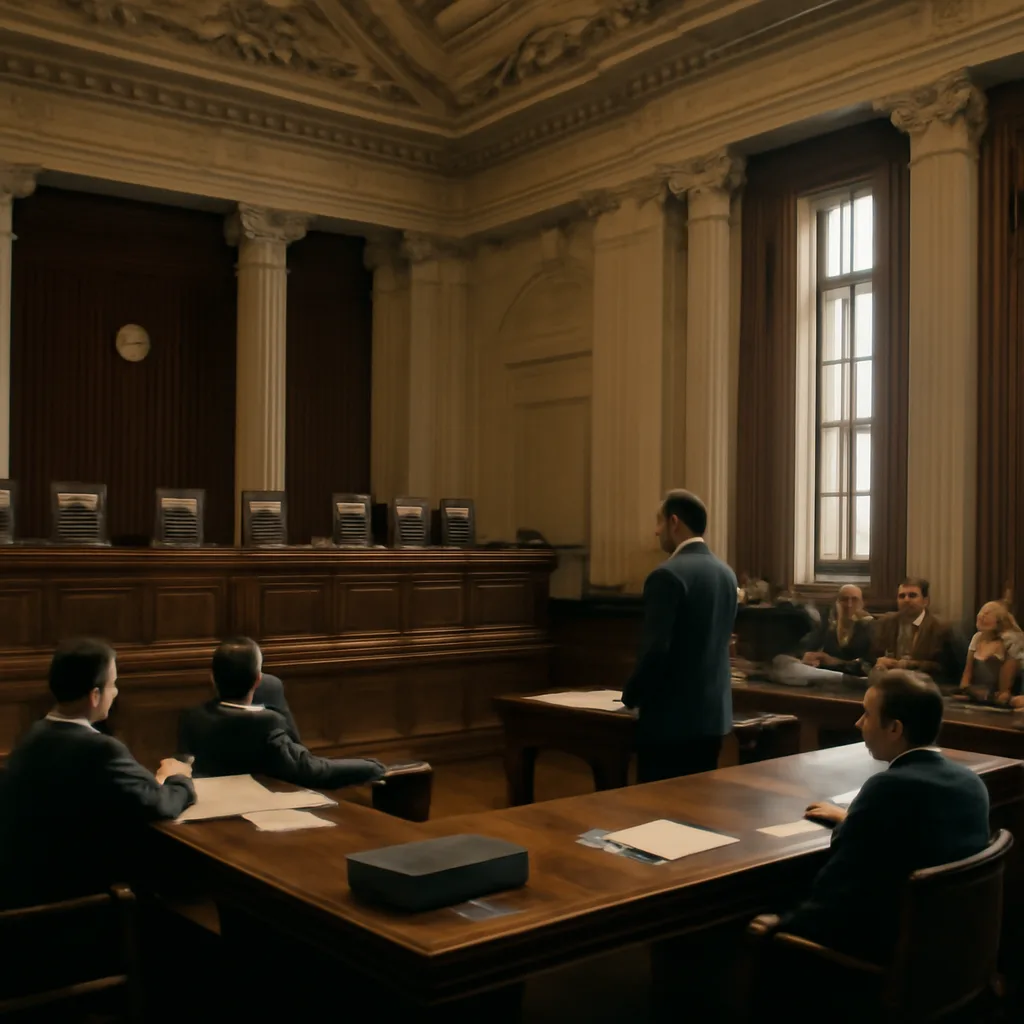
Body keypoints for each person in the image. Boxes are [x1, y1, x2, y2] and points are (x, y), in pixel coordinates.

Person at [779, 671, 990, 963]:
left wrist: (781, 923)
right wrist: (851, 817)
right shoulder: (971, 782)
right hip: (948, 953)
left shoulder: (887, 789)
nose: (858, 724)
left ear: (895, 728)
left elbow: (836, 890)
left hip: (884, 956)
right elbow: (917, 833)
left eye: (866, 714)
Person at [0, 638, 195, 909]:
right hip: (77, 902)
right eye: (113, 685)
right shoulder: (99, 748)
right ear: (94, 696)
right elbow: (160, 804)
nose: (115, 693)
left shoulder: (33, 735)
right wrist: (178, 776)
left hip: (25, 893)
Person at [622, 489, 738, 783]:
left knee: (656, 812)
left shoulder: (667, 575)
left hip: (669, 721)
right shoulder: (726, 574)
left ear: (674, 522)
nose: (656, 531)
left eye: (659, 522)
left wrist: (631, 696)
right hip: (712, 717)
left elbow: (656, 649)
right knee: (697, 808)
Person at [179, 637, 386, 789]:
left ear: (212, 679)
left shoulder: (193, 717)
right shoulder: (268, 723)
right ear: (257, 681)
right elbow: (311, 770)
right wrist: (371, 766)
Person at [871, 578, 958, 682]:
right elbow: (870, 656)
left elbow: (947, 669)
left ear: (925, 601)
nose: (906, 600)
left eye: (912, 595)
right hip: (889, 683)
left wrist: (910, 665)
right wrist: (878, 661)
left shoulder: (941, 628)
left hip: (925, 686)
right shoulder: (885, 622)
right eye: (902, 596)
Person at [954, 600, 1023, 706]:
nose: (981, 616)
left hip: (999, 697)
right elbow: (967, 673)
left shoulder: (1010, 642)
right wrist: (965, 691)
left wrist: (995, 697)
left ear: (999, 621)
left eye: (987, 614)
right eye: (981, 612)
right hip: (978, 695)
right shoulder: (976, 638)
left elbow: (1004, 691)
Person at [800, 585, 873, 674]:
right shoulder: (827, 624)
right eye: (845, 599)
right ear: (837, 603)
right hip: (826, 675)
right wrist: (809, 656)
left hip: (856, 677)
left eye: (854, 600)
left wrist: (834, 661)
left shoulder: (869, 625)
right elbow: (809, 646)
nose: (849, 605)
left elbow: (869, 663)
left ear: (862, 603)